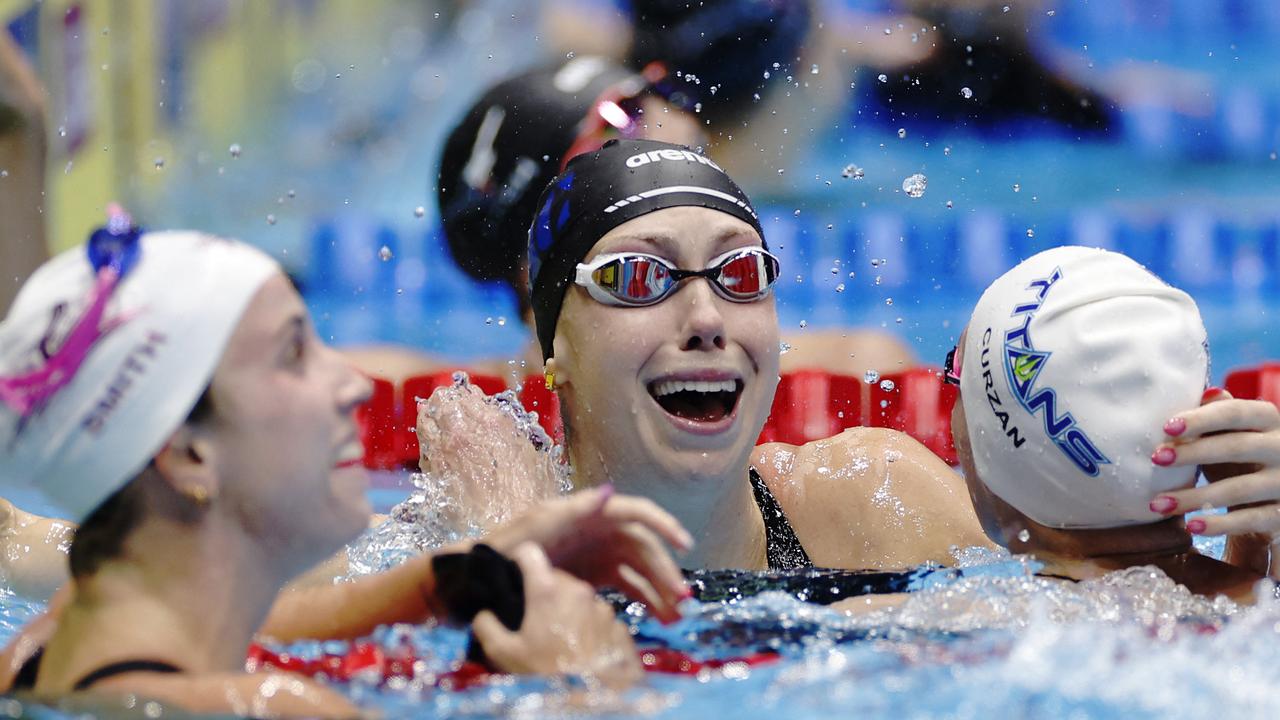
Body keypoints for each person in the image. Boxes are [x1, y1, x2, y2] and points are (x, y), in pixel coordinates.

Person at [428, 138, 1280, 581]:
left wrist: (1260, 551)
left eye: (739, 273)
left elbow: (1117, 627)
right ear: (551, 348)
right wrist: (500, 547)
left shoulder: (870, 499)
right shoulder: (468, 524)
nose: (704, 317)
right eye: (639, 277)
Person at [0, 218, 692, 714]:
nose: (353, 384)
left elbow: (269, 624)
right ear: (187, 454)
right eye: (294, 354)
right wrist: (589, 688)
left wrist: (456, 572)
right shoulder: (272, 710)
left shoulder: (52, 639)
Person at [841, 246, 1273, 614]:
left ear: (1003, 448)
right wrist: (1253, 545)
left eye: (957, 371)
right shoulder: (1259, 613)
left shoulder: (946, 622)